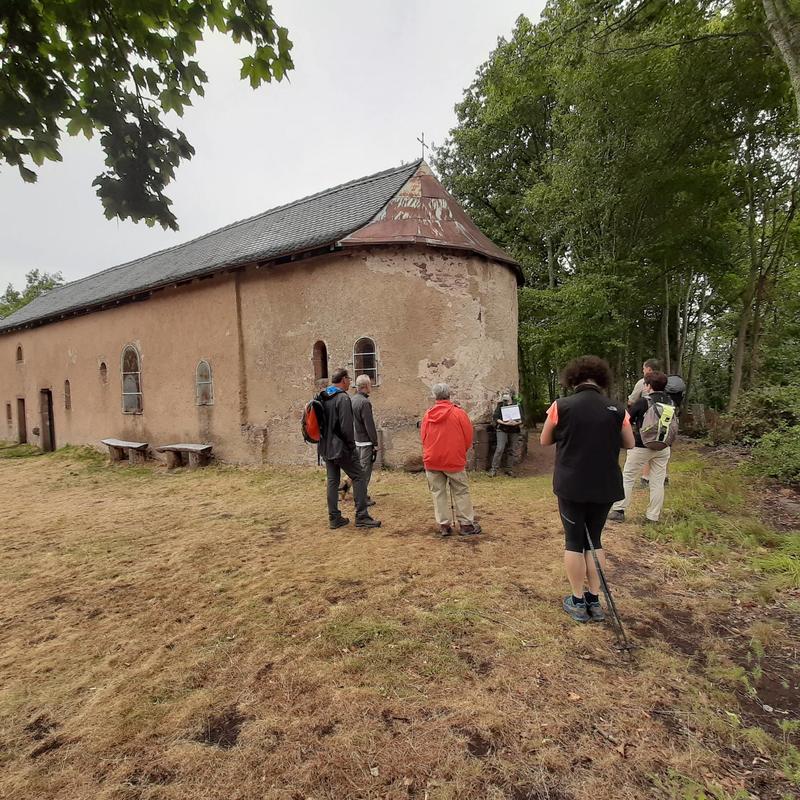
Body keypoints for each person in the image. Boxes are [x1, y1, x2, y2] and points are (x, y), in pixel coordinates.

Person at [540, 356, 635, 623]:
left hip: (571, 484)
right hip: (604, 484)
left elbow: (545, 439)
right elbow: (629, 442)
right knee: (595, 539)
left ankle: (577, 601)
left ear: (573, 378)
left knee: (574, 541)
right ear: (601, 379)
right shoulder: (617, 409)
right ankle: (594, 598)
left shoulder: (562, 406)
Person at [318, 368, 381, 530]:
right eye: (349, 380)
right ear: (344, 380)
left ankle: (334, 518)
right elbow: (347, 428)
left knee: (333, 481)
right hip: (341, 448)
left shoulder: (323, 395)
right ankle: (362, 516)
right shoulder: (343, 398)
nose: (350, 383)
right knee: (359, 476)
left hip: (325, 446)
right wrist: (352, 449)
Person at [608, 371, 672, 525]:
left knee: (628, 477)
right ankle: (653, 516)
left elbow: (626, 419)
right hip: (663, 447)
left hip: (642, 446)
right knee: (657, 481)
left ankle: (618, 510)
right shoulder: (670, 402)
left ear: (648, 386)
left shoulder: (644, 402)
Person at [420, 383, 481, 536]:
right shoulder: (459, 413)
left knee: (438, 492)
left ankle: (444, 525)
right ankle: (466, 524)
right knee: (461, 491)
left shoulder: (428, 414)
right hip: (453, 459)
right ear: (449, 395)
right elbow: (468, 437)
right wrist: (461, 452)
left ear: (435, 396)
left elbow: (423, 437)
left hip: (432, 459)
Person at [629, 359, 660, 488]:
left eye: (644, 368)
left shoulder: (643, 383)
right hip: (664, 423)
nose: (643, 371)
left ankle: (645, 478)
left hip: (647, 422)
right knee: (662, 446)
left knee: (647, 446)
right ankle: (664, 478)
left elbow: (632, 401)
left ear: (649, 369)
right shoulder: (664, 381)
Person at [351, 374, 378, 506]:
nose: (371, 387)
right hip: (366, 442)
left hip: (357, 441)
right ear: (366, 386)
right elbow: (369, 425)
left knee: (359, 470)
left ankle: (359, 495)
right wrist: (375, 442)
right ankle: (362, 498)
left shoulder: (353, 399)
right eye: (370, 385)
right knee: (364, 472)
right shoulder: (365, 402)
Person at [489, 390, 523, 477]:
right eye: (504, 394)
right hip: (502, 428)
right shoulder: (500, 405)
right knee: (500, 448)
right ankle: (494, 469)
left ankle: (509, 469)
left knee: (511, 449)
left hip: (514, 429)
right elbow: (496, 417)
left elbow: (522, 418)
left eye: (507, 393)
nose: (505, 395)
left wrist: (516, 423)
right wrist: (504, 423)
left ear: (511, 395)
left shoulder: (517, 405)